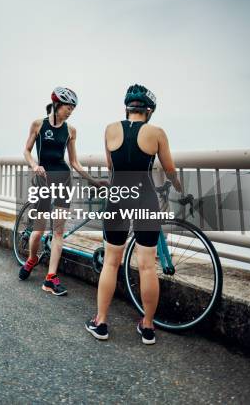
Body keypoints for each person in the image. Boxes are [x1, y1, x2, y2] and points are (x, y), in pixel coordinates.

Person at [85, 84, 182, 343]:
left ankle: (101, 322)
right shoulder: (157, 133)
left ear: (127, 108)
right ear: (148, 111)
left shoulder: (109, 130)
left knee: (111, 262)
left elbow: (110, 165)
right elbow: (170, 170)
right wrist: (180, 190)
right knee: (148, 266)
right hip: (145, 197)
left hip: (118, 197)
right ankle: (148, 327)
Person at [19, 86, 104, 295]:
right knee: (38, 231)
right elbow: (26, 151)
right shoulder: (39, 124)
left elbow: (74, 161)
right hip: (43, 180)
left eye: (73, 108)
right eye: (68, 107)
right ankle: (32, 258)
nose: (71, 111)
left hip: (64, 180)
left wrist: (93, 181)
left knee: (58, 232)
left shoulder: (71, 131)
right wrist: (34, 165)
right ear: (57, 105)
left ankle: (50, 278)